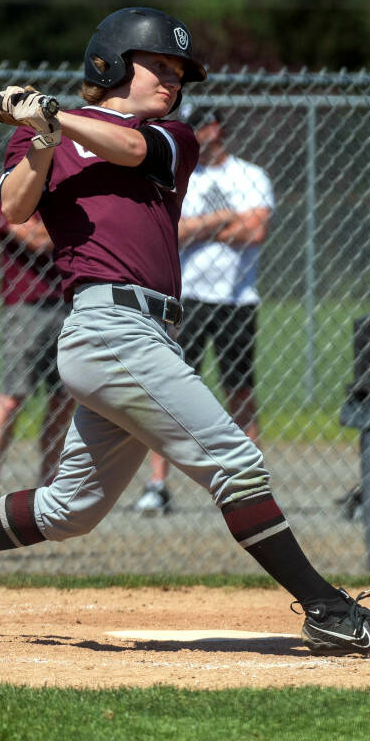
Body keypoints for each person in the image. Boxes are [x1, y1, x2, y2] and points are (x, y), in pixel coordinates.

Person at [0, 6, 370, 655]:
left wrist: (49, 114)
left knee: (68, 511)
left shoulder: (173, 137)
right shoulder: (41, 135)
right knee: (235, 461)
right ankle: (329, 611)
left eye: (178, 72)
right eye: (158, 66)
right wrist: (42, 134)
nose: (173, 80)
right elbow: (17, 205)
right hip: (106, 329)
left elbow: (129, 148)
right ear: (110, 65)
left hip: (149, 334)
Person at [137, 104, 275, 516]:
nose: (189, 134)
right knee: (169, 392)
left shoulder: (250, 175)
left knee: (241, 391)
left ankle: (251, 484)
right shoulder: (180, 176)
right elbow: (170, 232)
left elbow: (256, 231)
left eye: (196, 127)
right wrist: (222, 218)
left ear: (215, 130)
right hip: (186, 299)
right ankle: (157, 484)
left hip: (236, 301)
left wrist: (199, 228)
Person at [0, 183, 74, 504]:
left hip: (69, 300)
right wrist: (68, 223)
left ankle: (49, 485)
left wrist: (46, 226)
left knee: (64, 397)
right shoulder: (3, 189)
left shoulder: (67, 183)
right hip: (24, 302)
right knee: (12, 395)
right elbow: (34, 240)